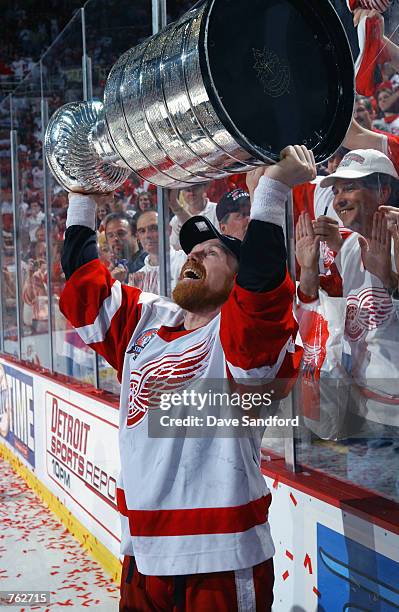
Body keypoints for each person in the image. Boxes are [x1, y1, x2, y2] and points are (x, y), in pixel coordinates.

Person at [59, 145, 315, 611]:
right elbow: (83, 291)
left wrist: (272, 190)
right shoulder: (148, 319)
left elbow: (261, 295)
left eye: (212, 251)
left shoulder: (238, 330)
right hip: (143, 551)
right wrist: (83, 193)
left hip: (219, 556)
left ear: (238, 279)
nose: (195, 256)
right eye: (192, 250)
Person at [296, 148, 399, 432]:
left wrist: (389, 278)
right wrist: (311, 265)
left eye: (351, 188)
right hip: (361, 409)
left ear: (383, 192)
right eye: (337, 190)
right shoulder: (352, 246)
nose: (339, 199)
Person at [129, 210, 186, 293]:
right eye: (142, 231)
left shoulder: (186, 260)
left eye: (154, 228)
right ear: (138, 237)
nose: (147, 235)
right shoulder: (138, 278)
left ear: (168, 230)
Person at [169, 183, 219, 250]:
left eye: (195, 188)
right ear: (182, 193)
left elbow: (218, 243)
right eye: (187, 190)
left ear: (205, 187)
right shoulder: (176, 220)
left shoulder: (217, 210)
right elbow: (174, 249)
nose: (191, 193)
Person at [103, 210, 146, 282]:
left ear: (136, 235)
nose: (115, 238)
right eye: (110, 235)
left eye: (121, 233)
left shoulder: (147, 263)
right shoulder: (111, 268)